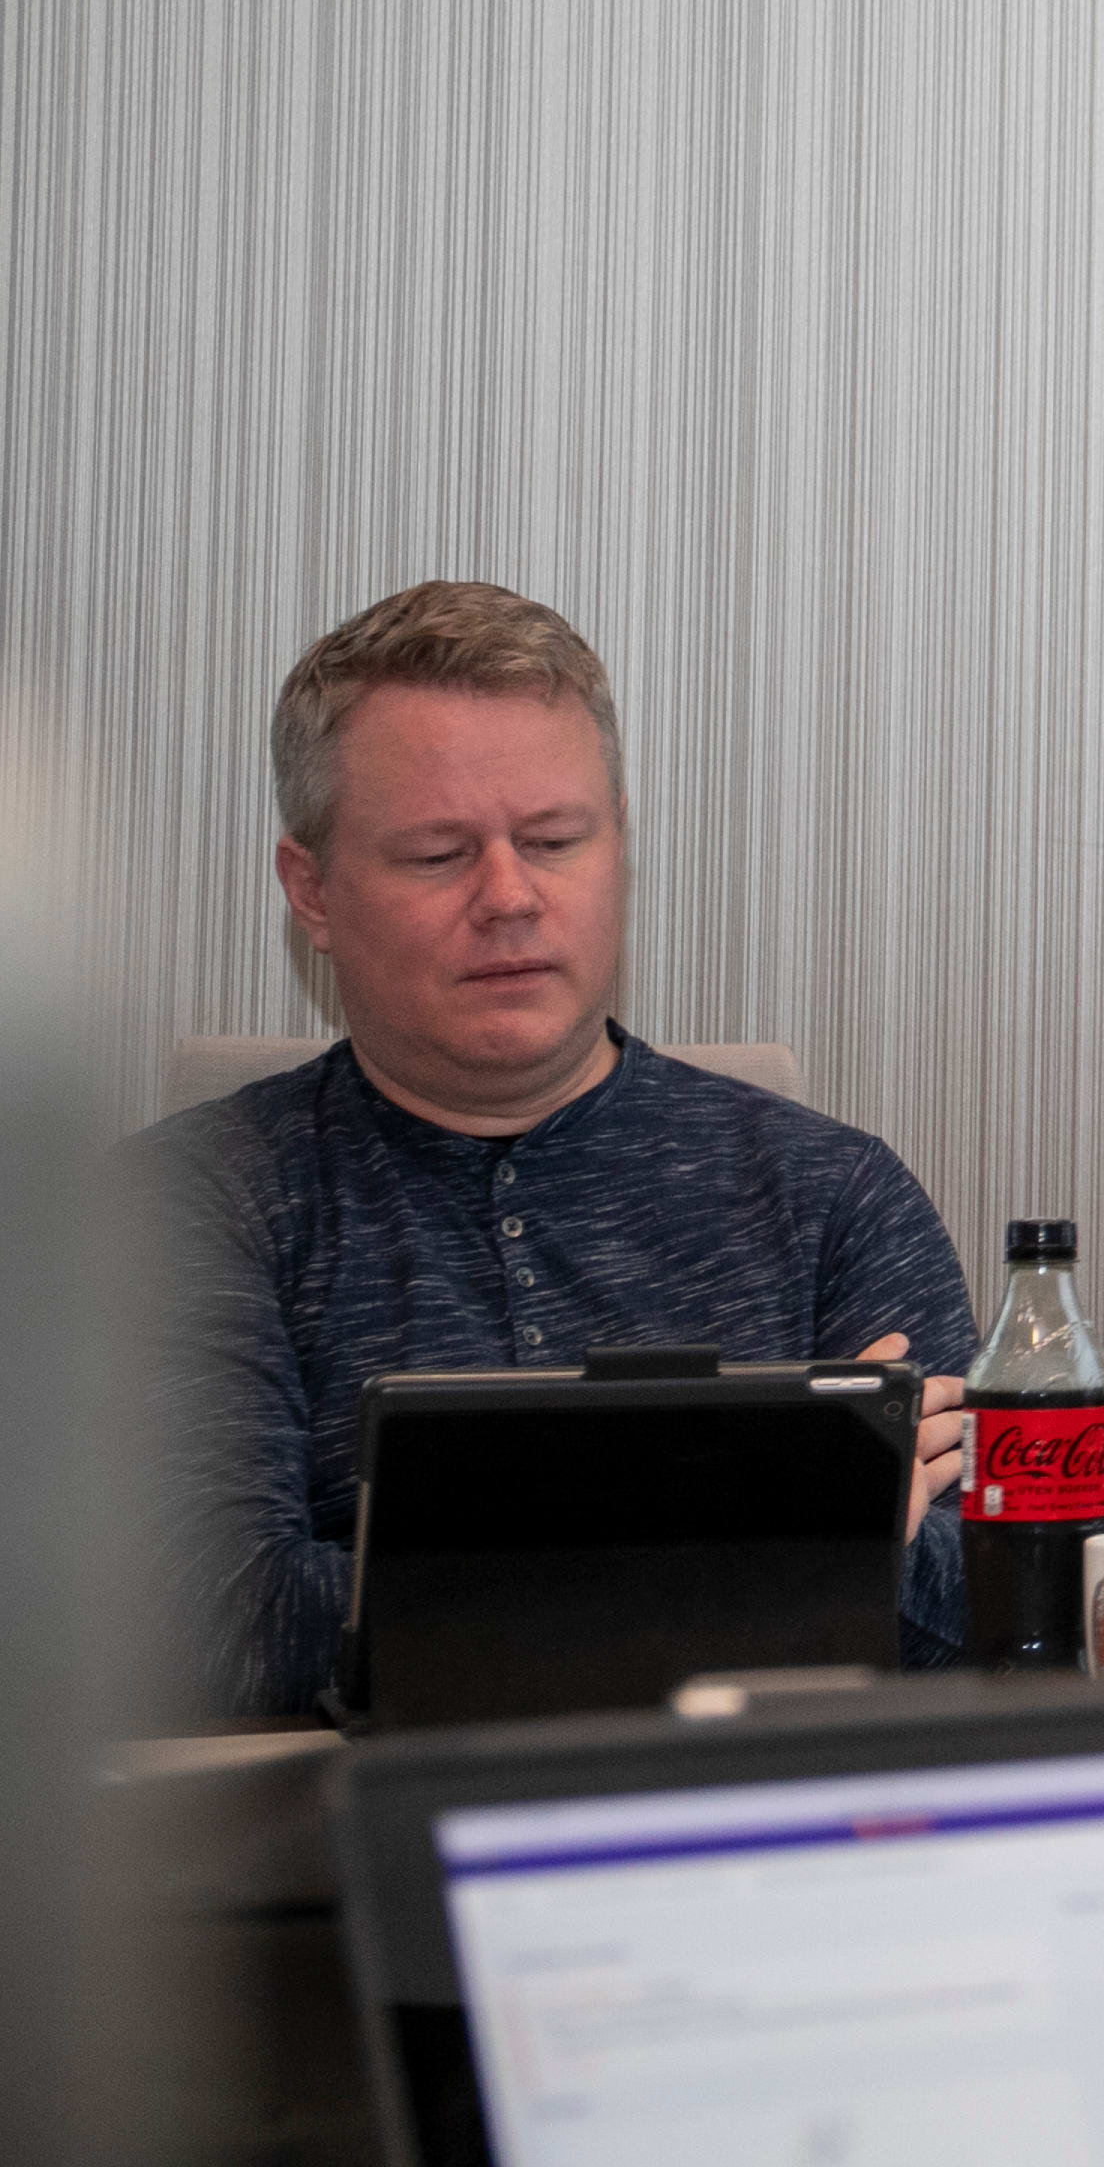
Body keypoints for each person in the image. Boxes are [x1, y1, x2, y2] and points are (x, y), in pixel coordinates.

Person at [141, 583, 977, 1719]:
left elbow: (988, 1614)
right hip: (349, 1825)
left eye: (553, 841)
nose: (509, 896)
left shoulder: (835, 1199)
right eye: (438, 854)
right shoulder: (182, 1207)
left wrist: (513, 1594)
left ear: (619, 847)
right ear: (312, 891)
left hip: (750, 1813)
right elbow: (208, 1631)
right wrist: (769, 1542)